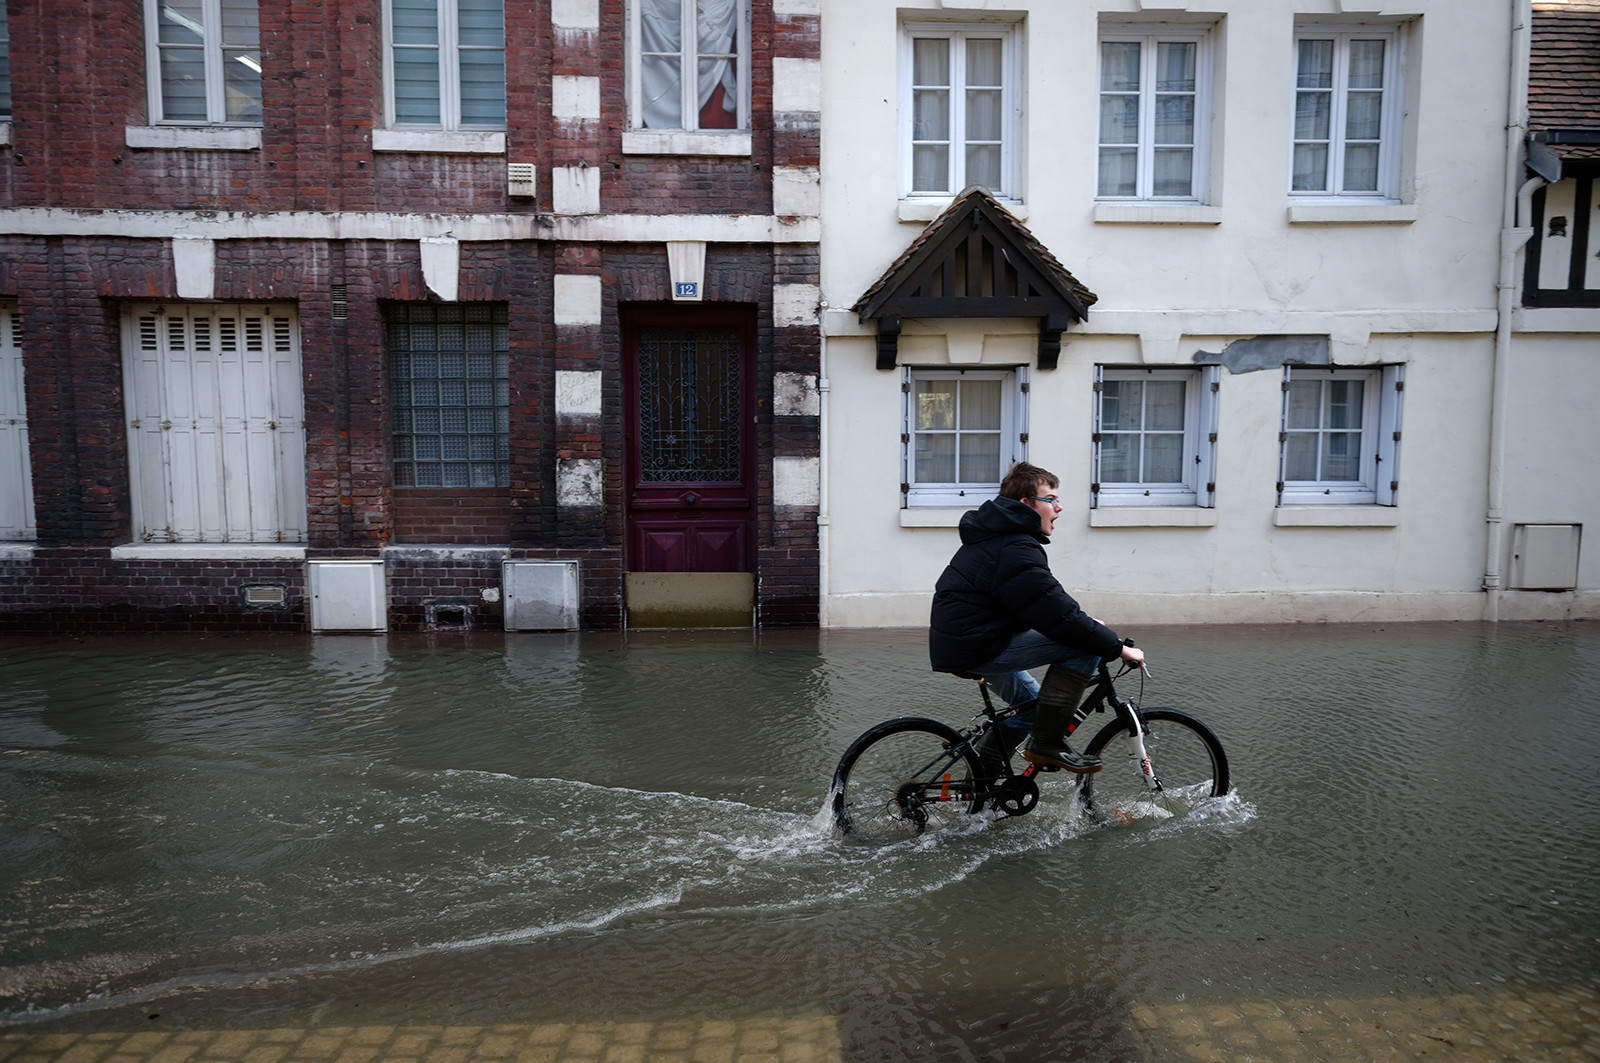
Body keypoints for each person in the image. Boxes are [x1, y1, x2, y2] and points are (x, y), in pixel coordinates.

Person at [929, 461, 1144, 775]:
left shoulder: (1001, 538)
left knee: (1031, 708)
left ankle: (984, 784)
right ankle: (1047, 744)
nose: (1059, 507)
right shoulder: (1015, 547)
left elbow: (1041, 607)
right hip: (977, 645)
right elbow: (1059, 615)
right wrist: (1116, 647)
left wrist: (1088, 626)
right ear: (1026, 505)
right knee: (1085, 646)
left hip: (968, 642)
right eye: (1051, 499)